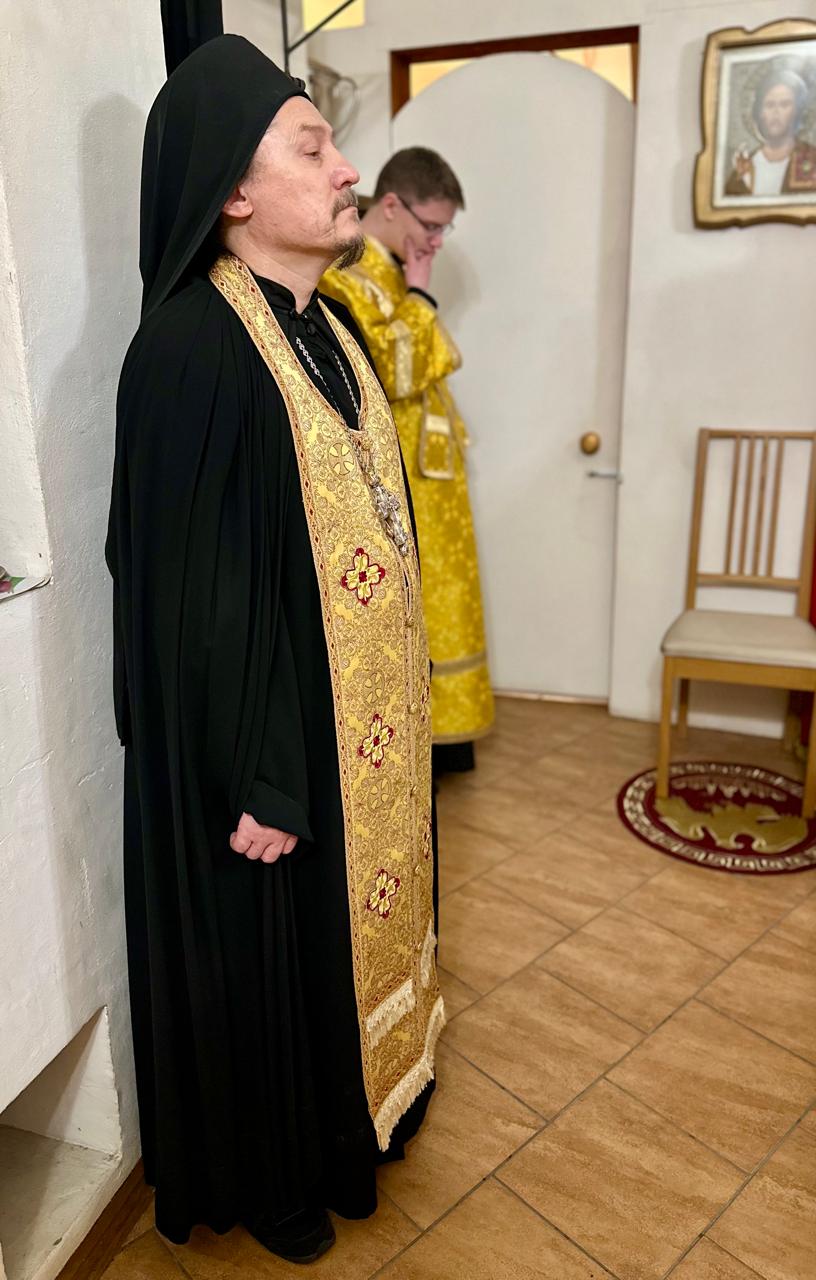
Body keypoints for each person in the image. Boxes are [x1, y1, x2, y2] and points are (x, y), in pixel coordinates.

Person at [106, 36, 443, 1264]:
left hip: (361, 732)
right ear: (234, 192)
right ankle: (278, 1167)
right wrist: (259, 771)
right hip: (272, 758)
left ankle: (365, 1107)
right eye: (314, 148)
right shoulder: (193, 349)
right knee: (266, 953)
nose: (348, 168)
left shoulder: (330, 324)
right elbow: (193, 593)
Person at [321, 148, 494, 774]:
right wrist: (420, 293)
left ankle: (447, 734)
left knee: (446, 598)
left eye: (445, 229)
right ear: (391, 205)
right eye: (431, 225)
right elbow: (393, 371)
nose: (437, 240)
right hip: (399, 472)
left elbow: (432, 354)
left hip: (432, 470)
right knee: (414, 600)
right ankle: (418, 739)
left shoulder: (391, 268)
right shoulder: (341, 272)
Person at [726, 66, 816, 197]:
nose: (776, 112)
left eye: (784, 104)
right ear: (760, 112)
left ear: (797, 111)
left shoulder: (812, 158)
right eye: (769, 105)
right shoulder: (745, 166)